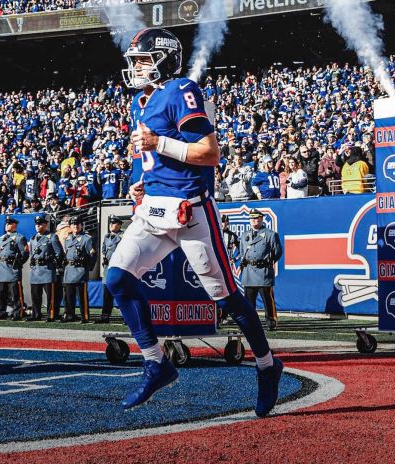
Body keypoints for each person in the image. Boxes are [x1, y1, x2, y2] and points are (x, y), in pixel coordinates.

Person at [105, 28, 283, 416]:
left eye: (142, 60)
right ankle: (156, 362)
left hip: (190, 212)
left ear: (165, 59)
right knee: (117, 279)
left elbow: (209, 152)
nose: (135, 68)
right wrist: (143, 180)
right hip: (153, 207)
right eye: (133, 60)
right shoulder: (141, 99)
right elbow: (151, 155)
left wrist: (159, 145)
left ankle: (268, 365)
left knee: (227, 299)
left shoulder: (183, 89)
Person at [239, 209, 282, 330]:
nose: (254, 220)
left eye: (257, 218)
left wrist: (267, 261)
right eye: (252, 218)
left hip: (263, 271)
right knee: (248, 302)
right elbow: (242, 252)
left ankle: (271, 322)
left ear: (262, 219)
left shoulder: (270, 234)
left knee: (268, 300)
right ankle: (250, 323)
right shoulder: (244, 235)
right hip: (249, 271)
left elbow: (278, 252)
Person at [28, 214, 63, 322]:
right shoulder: (33, 238)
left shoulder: (52, 237)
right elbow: (31, 254)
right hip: (35, 270)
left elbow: (59, 253)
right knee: (35, 295)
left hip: (47, 269)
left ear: (45, 225)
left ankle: (51, 314)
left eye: (41, 224)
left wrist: (53, 264)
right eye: (37, 224)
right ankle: (36, 314)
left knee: (50, 296)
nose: (38, 226)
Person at [61, 216, 96, 323]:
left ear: (81, 225)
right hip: (69, 269)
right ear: (70, 226)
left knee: (81, 296)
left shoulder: (86, 238)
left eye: (78, 224)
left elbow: (93, 255)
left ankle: (85, 316)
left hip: (80, 270)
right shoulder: (67, 239)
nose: (75, 226)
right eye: (73, 224)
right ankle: (69, 315)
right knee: (68, 295)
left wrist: (88, 267)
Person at [0, 216, 29, 321]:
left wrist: (17, 264)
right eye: (6, 224)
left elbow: (25, 254)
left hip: (12, 269)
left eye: (9, 224)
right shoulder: (1, 238)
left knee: (15, 293)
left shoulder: (19, 238)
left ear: (15, 225)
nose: (7, 225)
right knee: (1, 293)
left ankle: (18, 312)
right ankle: (0, 312)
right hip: (1, 268)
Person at [98, 215, 123, 324]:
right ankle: (105, 316)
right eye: (110, 223)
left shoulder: (123, 236)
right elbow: (104, 250)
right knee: (106, 294)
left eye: (114, 223)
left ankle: (126, 316)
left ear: (119, 225)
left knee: (121, 293)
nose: (111, 225)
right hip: (108, 268)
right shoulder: (107, 236)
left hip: (118, 267)